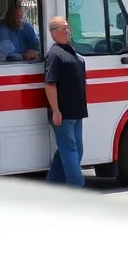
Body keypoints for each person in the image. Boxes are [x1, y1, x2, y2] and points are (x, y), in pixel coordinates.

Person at [44, 16, 88, 187]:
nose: (68, 30)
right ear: (54, 32)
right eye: (64, 28)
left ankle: (53, 183)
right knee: (70, 150)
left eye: (68, 27)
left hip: (77, 111)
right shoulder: (54, 54)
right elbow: (49, 84)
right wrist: (55, 110)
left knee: (73, 148)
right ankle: (76, 187)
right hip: (64, 113)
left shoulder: (70, 50)